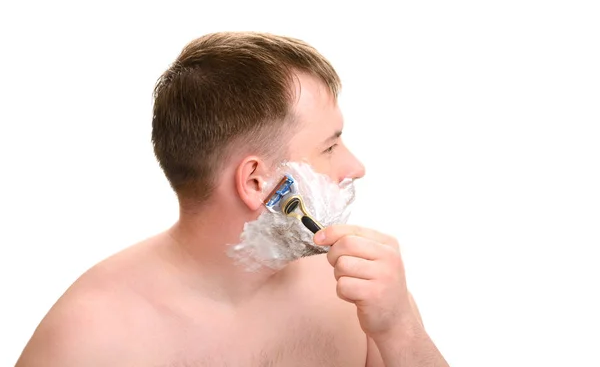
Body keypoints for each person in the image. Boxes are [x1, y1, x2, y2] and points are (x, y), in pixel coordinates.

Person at [15, 32, 449, 366]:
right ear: (258, 182)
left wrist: (400, 330)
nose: (355, 166)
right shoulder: (92, 337)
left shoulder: (354, 291)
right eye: (331, 146)